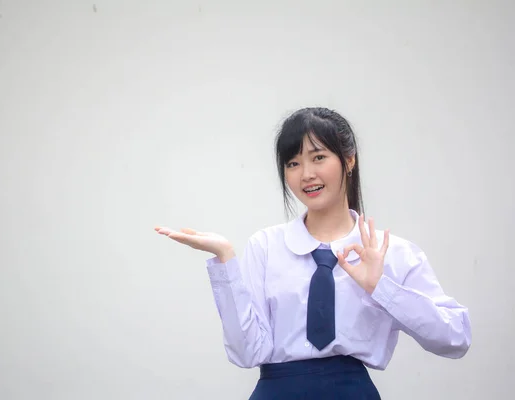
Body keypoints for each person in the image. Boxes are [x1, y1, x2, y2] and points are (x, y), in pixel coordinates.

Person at [155, 107, 471, 399]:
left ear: (349, 160)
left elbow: (455, 339)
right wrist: (225, 258)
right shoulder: (265, 247)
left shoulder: (391, 252)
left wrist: (381, 288)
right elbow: (247, 353)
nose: (305, 174)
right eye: (293, 163)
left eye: (318, 157)